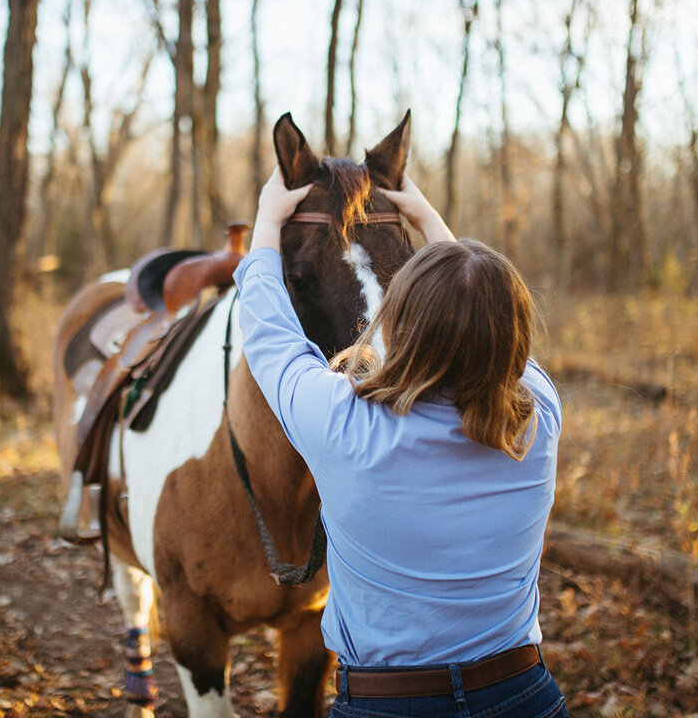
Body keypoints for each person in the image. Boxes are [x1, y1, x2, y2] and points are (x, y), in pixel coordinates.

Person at [232, 168, 568, 718]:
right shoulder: (536, 415)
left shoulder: (344, 422)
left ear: (400, 320)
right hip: (524, 695)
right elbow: (487, 325)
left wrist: (267, 223)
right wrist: (431, 222)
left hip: (387, 707)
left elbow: (270, 333)